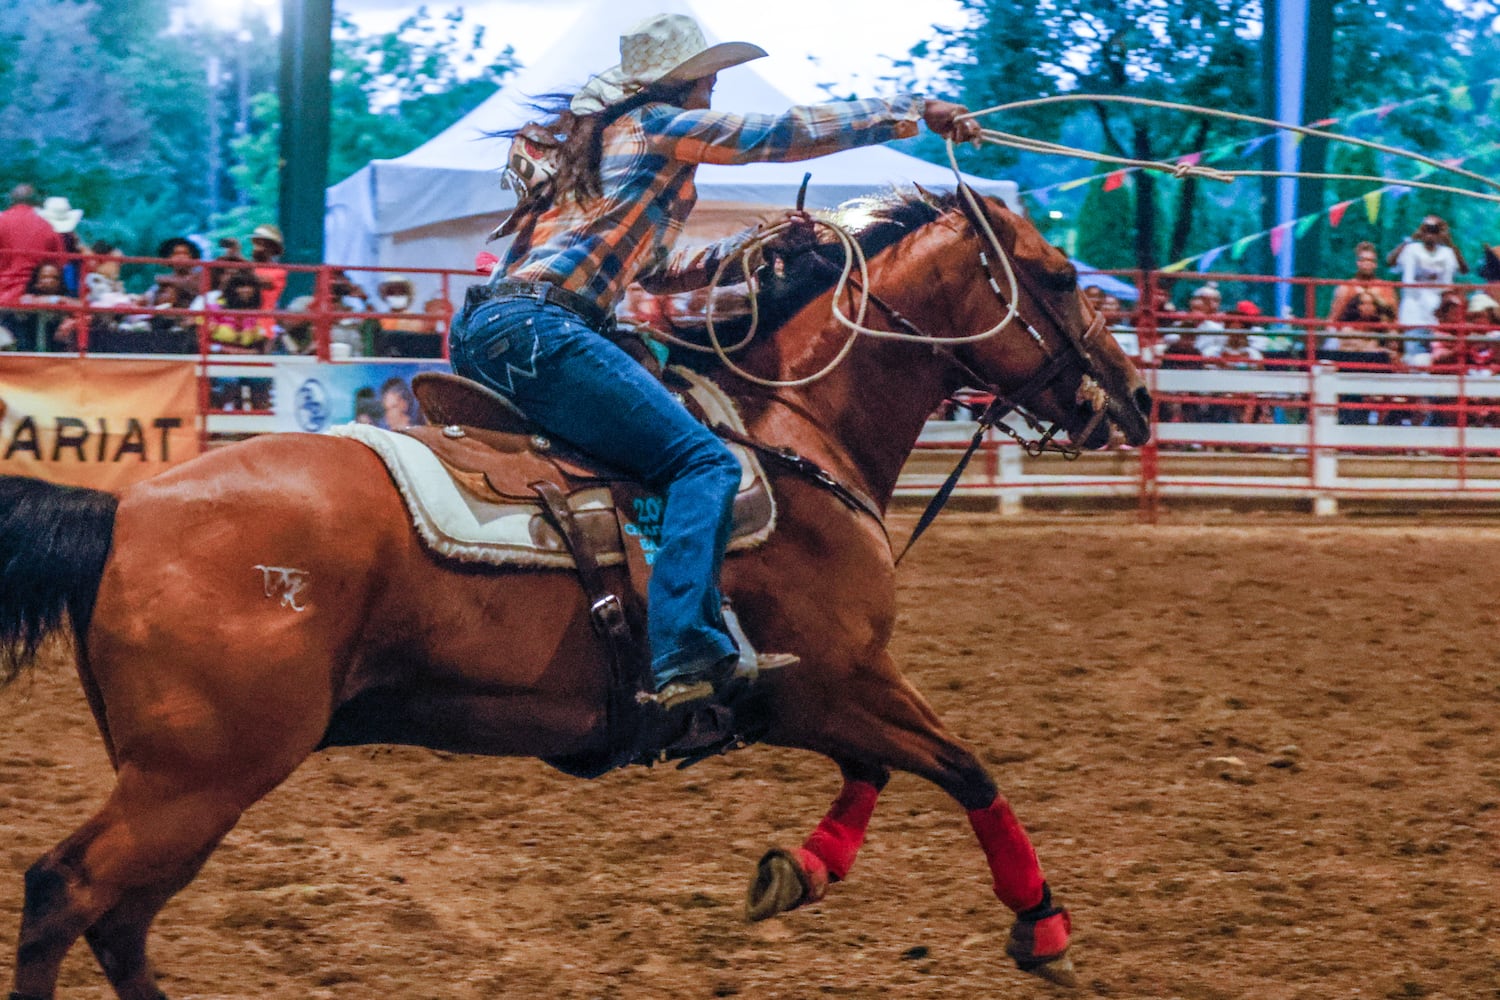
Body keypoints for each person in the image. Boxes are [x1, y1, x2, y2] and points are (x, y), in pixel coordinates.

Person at [447, 12, 981, 720]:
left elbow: (659, 268)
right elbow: (776, 136)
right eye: (710, 73)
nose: (717, 84)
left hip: (493, 327)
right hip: (544, 327)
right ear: (686, 80)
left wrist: (752, 250)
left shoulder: (604, 149)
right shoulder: (663, 126)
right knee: (704, 463)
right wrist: (909, 110)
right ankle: (682, 649)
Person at [1386, 215, 1468, 361]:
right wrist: (1411, 238)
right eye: (1427, 230)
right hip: (1413, 313)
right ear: (1421, 231)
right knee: (1415, 356)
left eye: (1435, 230)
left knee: (1436, 357)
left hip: (1438, 316)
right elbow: (1390, 262)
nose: (1430, 234)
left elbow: (1463, 269)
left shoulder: (1447, 253)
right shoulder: (1411, 249)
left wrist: (1449, 242)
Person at [0, 184, 65, 307]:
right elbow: (60, 264)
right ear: (34, 202)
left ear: (11, 200)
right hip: (34, 295)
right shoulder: (47, 226)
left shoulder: (2, 221)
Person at [1326, 241, 1397, 323]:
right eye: (1363, 260)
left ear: (1375, 264)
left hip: (1378, 333)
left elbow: (1394, 319)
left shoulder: (1386, 288)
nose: (1367, 263)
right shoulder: (1346, 288)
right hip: (1351, 333)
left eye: (1371, 260)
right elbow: (1332, 319)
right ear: (1358, 263)